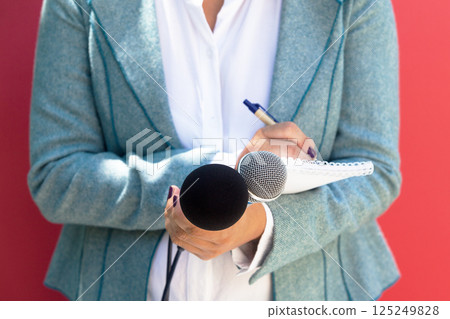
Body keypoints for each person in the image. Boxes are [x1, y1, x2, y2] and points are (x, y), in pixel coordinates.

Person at [28, 0, 401, 301]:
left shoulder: (353, 5)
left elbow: (374, 170)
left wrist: (262, 224)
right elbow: (56, 176)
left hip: (313, 293)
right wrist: (223, 172)